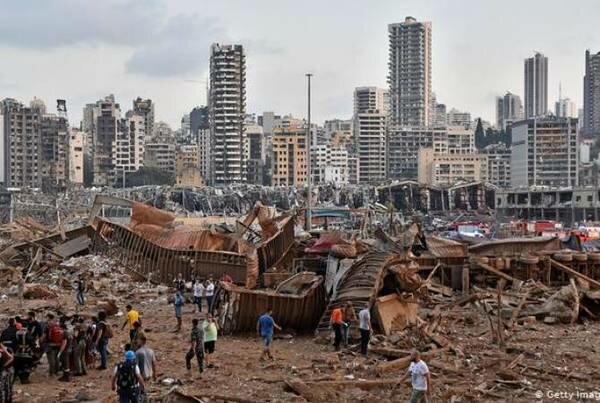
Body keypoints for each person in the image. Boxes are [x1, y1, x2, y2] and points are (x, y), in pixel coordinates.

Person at [58, 316, 73, 382]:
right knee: (66, 363)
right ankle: (66, 376)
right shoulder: (69, 332)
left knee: (65, 363)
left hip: (65, 350)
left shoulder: (65, 333)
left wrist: (60, 352)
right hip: (69, 349)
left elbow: (64, 343)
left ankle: (66, 377)